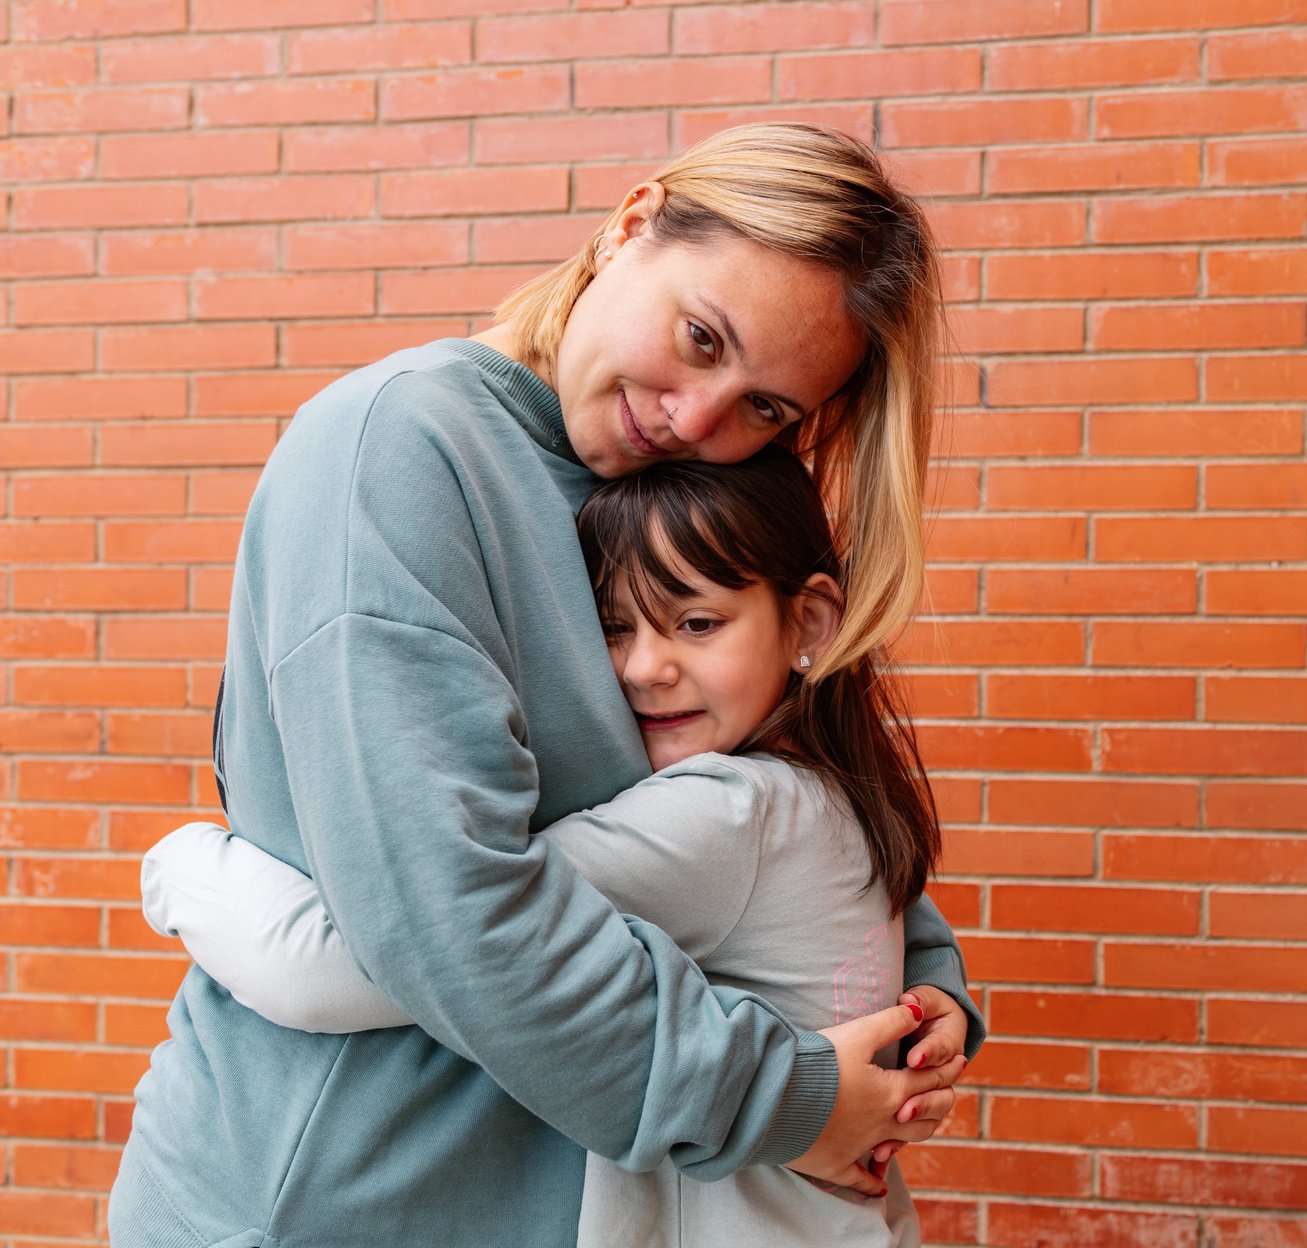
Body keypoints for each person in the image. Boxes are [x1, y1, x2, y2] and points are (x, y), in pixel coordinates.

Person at [110, 123, 982, 1248]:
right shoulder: (402, 452)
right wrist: (783, 1102)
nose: (701, 418)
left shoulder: (660, 489)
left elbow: (787, 785)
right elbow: (452, 912)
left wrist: (919, 990)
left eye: (767, 407)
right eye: (701, 336)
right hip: (333, 1198)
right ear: (631, 223)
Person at [146, 447, 942, 1247]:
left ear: (809, 622)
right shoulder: (842, 791)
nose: (645, 667)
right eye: (613, 628)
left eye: (698, 623)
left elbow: (348, 963)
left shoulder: (732, 816)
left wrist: (181, 862)